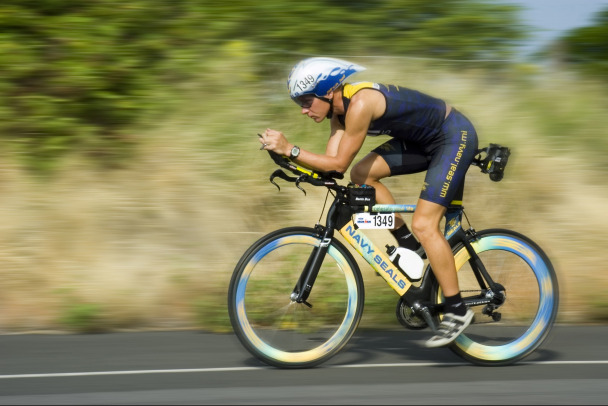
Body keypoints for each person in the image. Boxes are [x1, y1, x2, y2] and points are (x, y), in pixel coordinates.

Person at [258, 57, 478, 348]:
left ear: (326, 91)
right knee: (361, 174)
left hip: (452, 136)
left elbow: (337, 160)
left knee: (426, 224)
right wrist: (286, 159)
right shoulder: (338, 115)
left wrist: (291, 148)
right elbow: (333, 169)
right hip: (424, 143)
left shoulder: (360, 104)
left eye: (306, 100)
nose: (303, 109)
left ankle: (456, 310)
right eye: (299, 102)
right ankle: (409, 244)